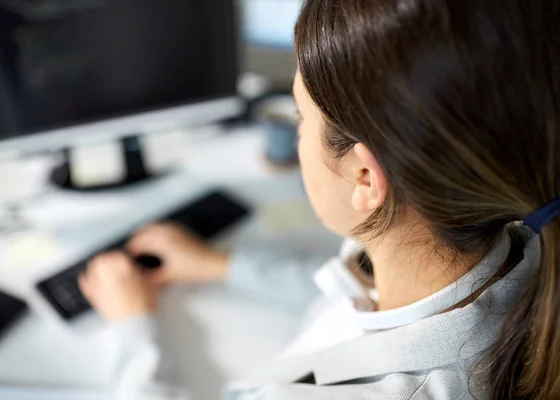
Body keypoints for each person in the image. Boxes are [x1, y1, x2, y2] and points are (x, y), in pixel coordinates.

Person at [77, 0, 560, 399]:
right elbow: (351, 297)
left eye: (300, 115)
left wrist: (135, 329)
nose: (298, 130)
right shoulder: (520, 250)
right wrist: (217, 264)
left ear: (366, 177)